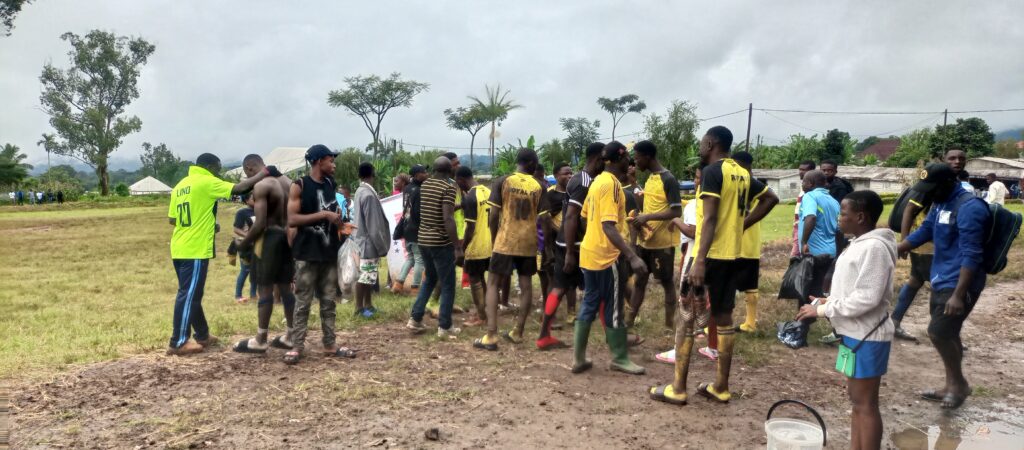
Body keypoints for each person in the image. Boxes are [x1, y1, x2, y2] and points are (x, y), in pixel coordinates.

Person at [650, 126, 775, 405]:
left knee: (686, 320)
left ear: (710, 143)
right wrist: (742, 225)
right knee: (724, 318)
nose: (700, 148)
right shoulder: (742, 173)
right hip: (733, 256)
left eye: (701, 143)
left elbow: (708, 219)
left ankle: (678, 388)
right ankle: (720, 387)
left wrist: (700, 260)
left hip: (709, 257)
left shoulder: (712, 172)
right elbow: (771, 199)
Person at [796, 190, 896, 450]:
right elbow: (853, 291)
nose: (839, 218)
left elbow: (868, 298)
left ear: (860, 216)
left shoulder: (874, 248)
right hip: (854, 333)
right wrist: (827, 301)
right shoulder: (859, 243)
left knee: (865, 404)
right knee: (857, 401)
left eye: (843, 213)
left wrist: (821, 311)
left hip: (867, 336)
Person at [165, 153, 278, 355]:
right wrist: (265, 172)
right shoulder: (206, 181)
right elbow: (239, 188)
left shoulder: (181, 185)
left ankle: (202, 334)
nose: (218, 172)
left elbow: (173, 220)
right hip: (194, 248)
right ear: (209, 167)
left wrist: (209, 224)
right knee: (188, 293)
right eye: (217, 168)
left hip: (178, 246)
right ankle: (178, 341)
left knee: (192, 293)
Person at [898, 163, 989, 410]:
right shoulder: (941, 202)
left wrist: (959, 294)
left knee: (938, 332)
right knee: (949, 333)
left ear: (948, 183)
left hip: (960, 282)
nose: (927, 193)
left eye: (931, 188)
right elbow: (927, 230)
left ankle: (959, 385)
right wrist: (899, 247)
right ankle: (951, 385)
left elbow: (972, 254)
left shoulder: (970, 208)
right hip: (941, 276)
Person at [572, 141, 647, 375]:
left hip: (589, 253)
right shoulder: (612, 185)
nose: (631, 164)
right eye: (628, 159)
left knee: (589, 302)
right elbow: (609, 226)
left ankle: (578, 359)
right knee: (614, 307)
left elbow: (585, 217)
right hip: (607, 257)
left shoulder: (596, 183)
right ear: (619, 159)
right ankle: (620, 358)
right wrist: (632, 256)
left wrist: (593, 238)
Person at [283, 145, 356, 364]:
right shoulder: (300, 186)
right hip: (307, 253)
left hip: (328, 252)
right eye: (330, 160)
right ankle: (297, 346)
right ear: (318, 161)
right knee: (303, 302)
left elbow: (331, 213)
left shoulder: (330, 184)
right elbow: (293, 219)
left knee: (329, 301)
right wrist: (324, 214)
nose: (333, 164)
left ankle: (330, 344)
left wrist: (340, 220)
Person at [893, 148, 968, 341]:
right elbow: (910, 209)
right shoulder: (935, 183)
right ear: (944, 160)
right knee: (940, 286)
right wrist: (905, 241)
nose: (957, 161)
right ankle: (941, 332)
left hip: (934, 243)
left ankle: (895, 322)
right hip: (928, 245)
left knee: (915, 282)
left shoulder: (953, 184)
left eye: (961, 158)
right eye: (952, 158)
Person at [473, 148, 543, 351]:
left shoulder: (503, 181)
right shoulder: (539, 186)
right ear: (530, 163)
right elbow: (544, 218)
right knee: (526, 285)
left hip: (505, 240)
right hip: (528, 243)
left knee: (493, 283)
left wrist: (495, 238)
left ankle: (491, 334)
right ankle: (518, 332)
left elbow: (493, 214)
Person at [232, 154, 298, 354]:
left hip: (268, 240)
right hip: (287, 238)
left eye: (247, 174)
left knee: (265, 289)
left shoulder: (262, 186)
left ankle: (261, 338)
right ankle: (291, 335)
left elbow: (260, 223)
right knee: (286, 289)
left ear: (250, 169)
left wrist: (243, 243)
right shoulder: (288, 183)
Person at [627, 140, 682, 333]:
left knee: (666, 282)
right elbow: (645, 205)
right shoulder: (651, 179)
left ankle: (669, 324)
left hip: (663, 243)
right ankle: (629, 322)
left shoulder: (669, 179)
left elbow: (676, 211)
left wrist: (648, 217)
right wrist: (634, 183)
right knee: (640, 280)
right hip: (646, 241)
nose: (635, 162)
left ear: (647, 156)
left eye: (637, 157)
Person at [407, 156, 464, 338]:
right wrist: (457, 246)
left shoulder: (426, 185)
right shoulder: (448, 187)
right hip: (440, 242)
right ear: (449, 170)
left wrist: (457, 206)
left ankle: (415, 319)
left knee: (430, 278)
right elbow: (447, 218)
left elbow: (436, 209)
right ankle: (444, 326)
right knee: (448, 284)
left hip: (423, 240)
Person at [655, 167, 701, 364]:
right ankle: (712, 345)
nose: (697, 182)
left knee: (686, 304)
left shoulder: (697, 204)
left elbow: (693, 232)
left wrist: (675, 219)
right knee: (706, 305)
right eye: (696, 178)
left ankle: (679, 350)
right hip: (716, 256)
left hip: (694, 255)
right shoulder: (721, 202)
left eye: (699, 178)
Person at [733, 152, 777, 333]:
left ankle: (748, 322)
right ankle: (749, 323)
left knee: (733, 282)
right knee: (749, 283)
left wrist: (745, 222)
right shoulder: (753, 183)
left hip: (742, 238)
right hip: (749, 241)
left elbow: (770, 200)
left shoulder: (748, 182)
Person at [797, 170, 841, 341]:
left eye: (804, 181)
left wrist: (804, 242)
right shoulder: (833, 201)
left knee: (805, 290)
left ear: (811, 183)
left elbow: (810, 218)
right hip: (829, 252)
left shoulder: (810, 197)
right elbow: (838, 230)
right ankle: (837, 328)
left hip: (813, 253)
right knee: (817, 290)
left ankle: (801, 330)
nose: (802, 183)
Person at [535, 162, 573, 349]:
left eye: (571, 173)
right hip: (551, 244)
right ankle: (548, 317)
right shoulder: (550, 195)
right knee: (549, 279)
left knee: (561, 282)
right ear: (556, 175)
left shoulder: (572, 193)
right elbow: (545, 220)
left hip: (566, 244)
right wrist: (550, 244)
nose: (569, 176)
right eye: (566, 173)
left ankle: (568, 312)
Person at [351, 162, 390, 317]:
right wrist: (381, 247)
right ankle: (359, 308)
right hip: (368, 243)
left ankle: (368, 305)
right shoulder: (368, 195)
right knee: (365, 277)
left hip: (361, 240)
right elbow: (373, 225)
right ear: (373, 174)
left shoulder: (360, 191)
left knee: (369, 276)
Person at [457, 166, 490, 327]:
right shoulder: (487, 191)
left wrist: (462, 248)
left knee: (475, 281)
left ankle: (482, 317)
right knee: (482, 279)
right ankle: (482, 312)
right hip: (489, 244)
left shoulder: (470, 197)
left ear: (462, 180)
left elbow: (470, 227)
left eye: (458, 182)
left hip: (476, 245)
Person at [394, 165, 427, 294]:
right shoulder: (419, 190)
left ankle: (398, 283)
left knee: (411, 258)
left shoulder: (407, 188)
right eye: (424, 172)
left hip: (406, 227)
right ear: (417, 175)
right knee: (419, 259)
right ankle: (415, 288)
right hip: (416, 228)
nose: (426, 174)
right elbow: (418, 212)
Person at [232, 194, 257, 304]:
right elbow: (236, 229)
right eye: (253, 198)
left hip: (258, 245)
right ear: (246, 200)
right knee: (245, 270)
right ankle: (238, 295)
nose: (256, 200)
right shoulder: (242, 213)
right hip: (246, 245)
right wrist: (248, 237)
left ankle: (253, 294)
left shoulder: (260, 211)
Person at [792, 161, 816, 256]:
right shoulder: (804, 186)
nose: (800, 172)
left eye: (804, 170)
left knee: (795, 255)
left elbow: (810, 215)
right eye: (800, 169)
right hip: (797, 225)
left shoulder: (810, 190)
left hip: (803, 226)